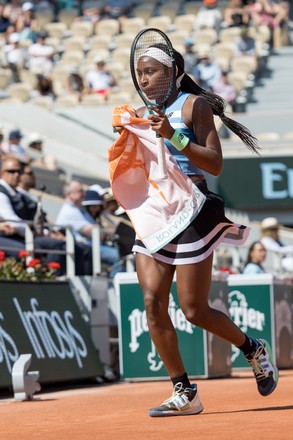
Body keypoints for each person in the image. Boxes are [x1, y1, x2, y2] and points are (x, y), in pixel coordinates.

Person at [110, 39, 278, 417]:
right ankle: (184, 391)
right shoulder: (137, 112)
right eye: (139, 72)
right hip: (155, 212)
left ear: (174, 74)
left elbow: (215, 164)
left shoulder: (193, 106)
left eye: (151, 70)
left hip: (192, 207)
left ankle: (252, 348)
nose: (144, 78)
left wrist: (173, 134)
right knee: (152, 302)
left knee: (193, 310)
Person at [56, 180, 124, 277]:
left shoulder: (78, 208)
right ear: (68, 194)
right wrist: (106, 231)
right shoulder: (69, 211)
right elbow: (93, 232)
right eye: (80, 191)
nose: (84, 194)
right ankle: (113, 285)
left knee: (125, 253)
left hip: (93, 246)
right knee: (120, 257)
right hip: (87, 247)